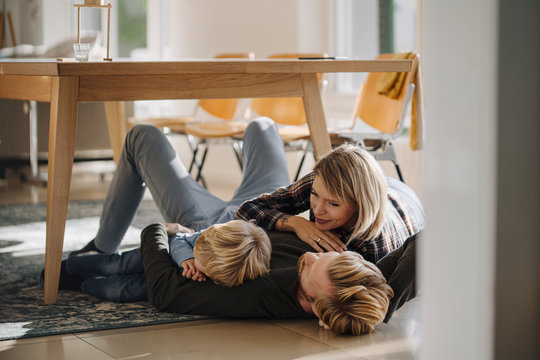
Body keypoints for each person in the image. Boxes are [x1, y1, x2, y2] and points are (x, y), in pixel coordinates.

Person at [72, 117, 423, 266]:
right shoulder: (334, 181)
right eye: (316, 196)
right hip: (258, 208)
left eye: (332, 204)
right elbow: (254, 208)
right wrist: (296, 223)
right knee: (262, 125)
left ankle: (100, 248)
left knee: (140, 136)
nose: (318, 209)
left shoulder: (368, 248)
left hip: (212, 225)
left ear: (363, 207)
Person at [139, 223, 418, 336]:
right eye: (326, 255)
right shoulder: (345, 285)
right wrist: (383, 303)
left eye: (309, 269)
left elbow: (165, 292)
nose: (310, 256)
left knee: (142, 140)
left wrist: (158, 228)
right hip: (249, 219)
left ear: (319, 312)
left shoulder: (260, 293)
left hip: (205, 236)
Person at [51, 219, 271, 301]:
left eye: (201, 262)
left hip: (160, 284)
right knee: (115, 264)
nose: (197, 255)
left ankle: (81, 284)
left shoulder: (227, 271)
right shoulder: (206, 238)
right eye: (198, 252)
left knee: (119, 291)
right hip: (156, 256)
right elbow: (178, 239)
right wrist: (187, 258)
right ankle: (71, 265)